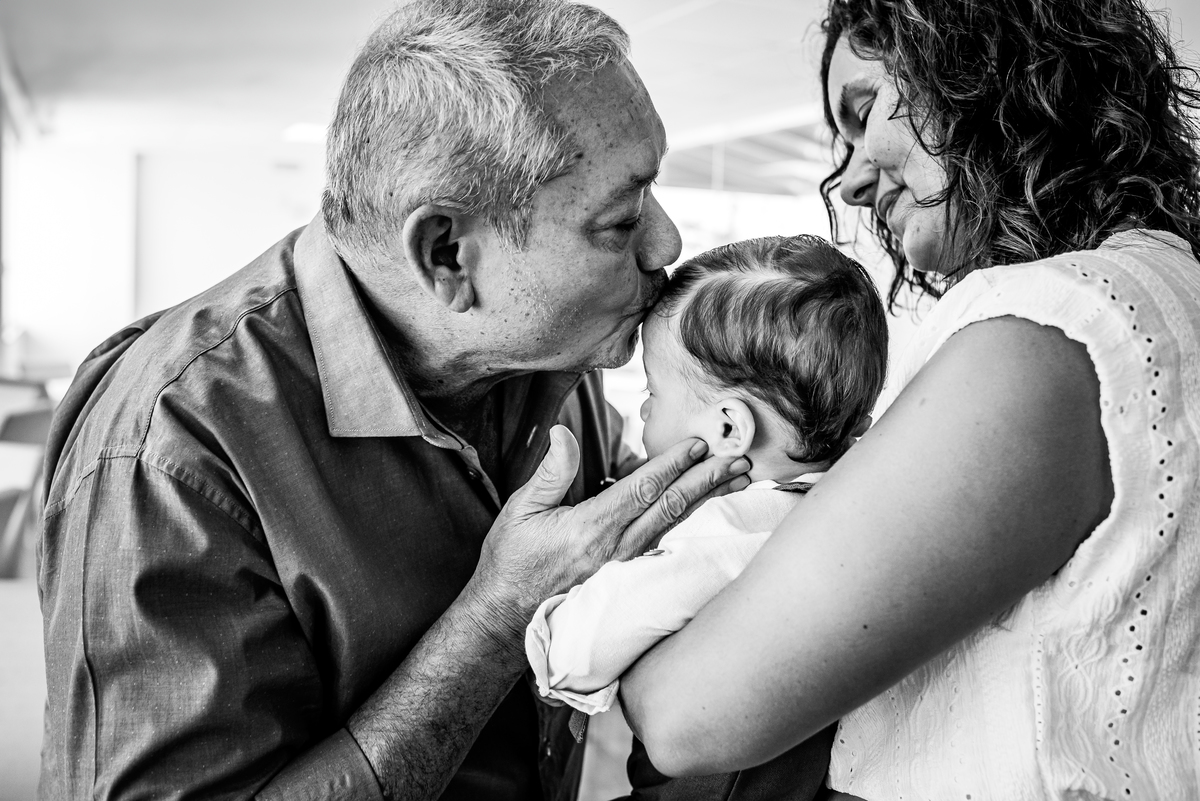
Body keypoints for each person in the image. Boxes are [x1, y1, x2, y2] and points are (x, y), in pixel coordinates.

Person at [36, 2, 748, 799]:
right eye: (620, 221)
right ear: (448, 254)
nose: (667, 243)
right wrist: (496, 622)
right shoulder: (166, 453)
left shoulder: (548, 345)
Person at [614, 0, 1200, 799]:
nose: (848, 181)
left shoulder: (1051, 326)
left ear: (976, 64)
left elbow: (687, 717)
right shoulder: (1168, 284)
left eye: (862, 112)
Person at [524, 234, 888, 801]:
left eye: (654, 390)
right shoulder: (855, 508)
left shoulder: (727, 531)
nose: (644, 407)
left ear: (726, 429)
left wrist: (552, 643)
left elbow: (589, 642)